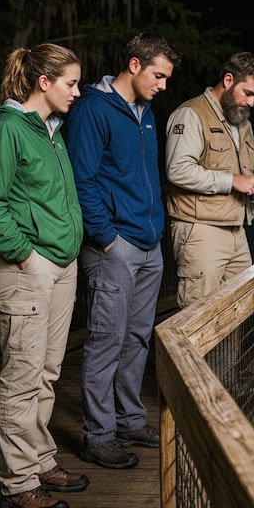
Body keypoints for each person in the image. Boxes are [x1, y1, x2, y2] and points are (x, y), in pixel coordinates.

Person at [0, 44, 88, 508]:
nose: (77, 92)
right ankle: (18, 484)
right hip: (25, 270)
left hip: (62, 266)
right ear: (44, 82)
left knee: (47, 371)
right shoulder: (5, 128)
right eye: (71, 83)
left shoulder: (51, 131)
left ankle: (39, 461)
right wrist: (25, 256)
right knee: (21, 378)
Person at [66, 33, 179, 470]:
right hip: (115, 246)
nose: (163, 85)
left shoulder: (145, 112)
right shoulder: (94, 109)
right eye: (158, 75)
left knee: (137, 337)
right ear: (134, 65)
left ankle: (129, 419)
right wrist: (106, 237)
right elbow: (83, 179)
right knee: (106, 340)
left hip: (149, 244)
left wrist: (155, 232)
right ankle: (98, 435)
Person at [164, 51, 254, 309]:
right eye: (247, 93)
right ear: (227, 80)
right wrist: (232, 181)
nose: (251, 102)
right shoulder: (191, 114)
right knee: (198, 317)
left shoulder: (242, 122)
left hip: (237, 229)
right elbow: (177, 170)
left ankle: (229, 354)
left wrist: (253, 184)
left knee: (239, 313)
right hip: (201, 231)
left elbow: (238, 171)